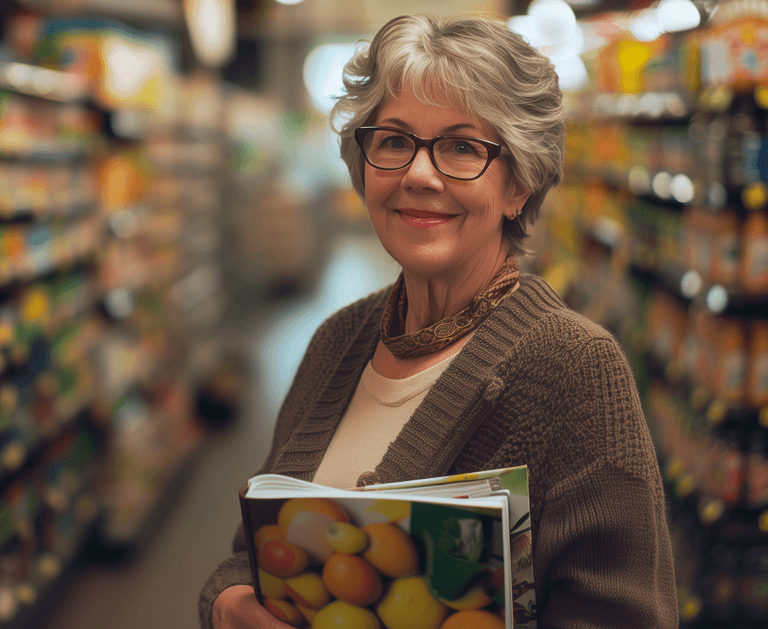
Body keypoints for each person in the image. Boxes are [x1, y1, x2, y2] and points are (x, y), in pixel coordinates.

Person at [200, 13, 678, 629]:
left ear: (519, 187)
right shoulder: (336, 340)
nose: (419, 175)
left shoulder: (576, 368)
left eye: (461, 146)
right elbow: (253, 556)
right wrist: (229, 605)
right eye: (395, 140)